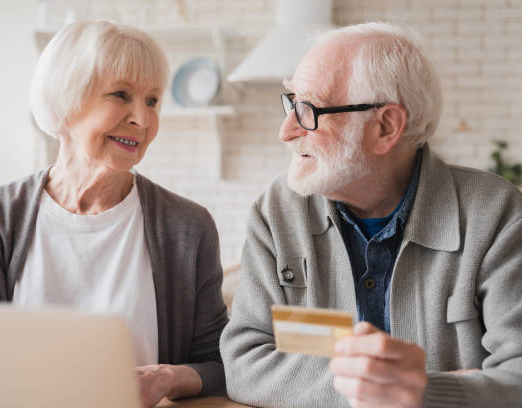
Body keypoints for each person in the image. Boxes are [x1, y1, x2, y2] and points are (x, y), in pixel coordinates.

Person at [220, 22, 522, 408]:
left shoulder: (495, 213)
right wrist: (392, 390)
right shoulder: (277, 211)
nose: (287, 130)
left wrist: (424, 392)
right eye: (291, 102)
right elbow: (244, 364)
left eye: (309, 109)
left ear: (385, 127)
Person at [0, 21, 228, 408]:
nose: (143, 120)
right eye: (121, 94)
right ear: (65, 101)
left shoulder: (188, 226)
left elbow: (220, 365)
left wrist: (166, 377)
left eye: (152, 100)